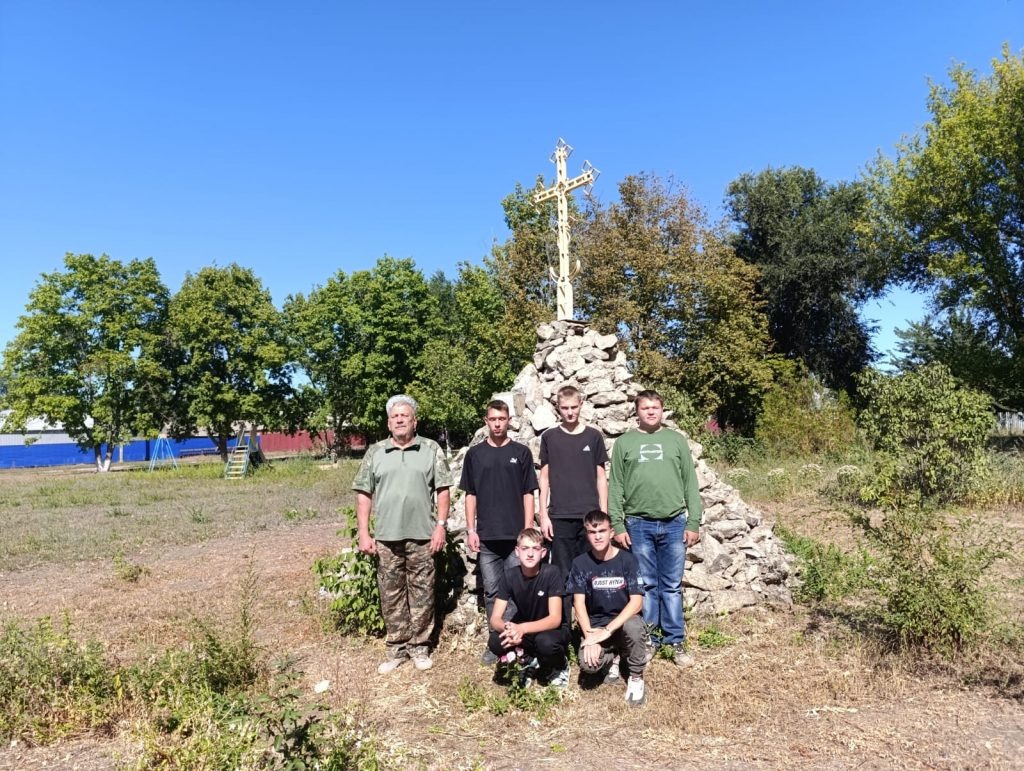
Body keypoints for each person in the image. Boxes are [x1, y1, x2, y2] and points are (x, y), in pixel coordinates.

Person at [353, 394, 453, 674]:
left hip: (423, 535)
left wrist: (440, 526)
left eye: (405, 415)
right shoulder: (375, 452)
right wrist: (364, 532)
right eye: (395, 416)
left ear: (414, 421)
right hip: (386, 536)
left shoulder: (430, 448)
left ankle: (420, 647)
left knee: (422, 593)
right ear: (388, 423)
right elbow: (363, 493)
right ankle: (397, 649)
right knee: (391, 593)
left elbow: (443, 489)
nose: (399, 420)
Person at [609, 389, 703, 668]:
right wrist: (617, 523)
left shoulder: (676, 441)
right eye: (645, 407)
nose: (650, 411)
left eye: (655, 407)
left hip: (674, 522)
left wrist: (693, 521)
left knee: (672, 586)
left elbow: (690, 483)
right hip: (638, 524)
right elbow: (616, 486)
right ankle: (648, 639)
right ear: (636, 412)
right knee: (647, 585)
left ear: (662, 410)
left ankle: (675, 641)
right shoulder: (625, 443)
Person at [459, 400, 539, 664]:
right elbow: (470, 495)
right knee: (493, 592)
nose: (497, 423)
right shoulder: (475, 455)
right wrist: (471, 529)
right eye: (492, 419)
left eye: (502, 419)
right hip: (488, 538)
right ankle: (497, 643)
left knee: (518, 590)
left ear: (508, 421)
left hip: (516, 537)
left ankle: (521, 641)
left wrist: (527, 530)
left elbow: (529, 493)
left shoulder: (521, 452)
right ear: (486, 421)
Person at [566, 509, 648, 706]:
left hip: (623, 622)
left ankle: (636, 676)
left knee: (634, 628)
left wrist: (608, 631)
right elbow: (579, 604)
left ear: (611, 532)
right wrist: (590, 637)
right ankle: (613, 657)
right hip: (595, 626)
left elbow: (637, 602)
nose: (597, 536)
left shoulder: (628, 560)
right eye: (592, 532)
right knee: (588, 665)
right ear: (586, 535)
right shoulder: (580, 563)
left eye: (601, 531)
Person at [538, 385, 609, 577]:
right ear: (558, 408)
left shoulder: (593, 436)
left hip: (590, 516)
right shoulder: (549, 437)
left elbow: (601, 477)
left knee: (591, 571)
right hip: (560, 516)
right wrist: (543, 515)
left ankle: (586, 608)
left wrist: (604, 513)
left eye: (574, 407)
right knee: (563, 572)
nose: (570, 412)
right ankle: (563, 608)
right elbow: (544, 478)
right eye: (565, 408)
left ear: (581, 405)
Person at [487, 528, 570, 688]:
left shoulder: (552, 573)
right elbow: (495, 618)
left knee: (545, 642)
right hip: (525, 630)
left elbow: (555, 619)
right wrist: (508, 628)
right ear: (517, 552)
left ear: (543, 553)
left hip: (552, 630)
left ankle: (559, 665)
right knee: (496, 642)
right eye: (525, 548)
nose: (530, 554)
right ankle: (529, 661)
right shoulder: (509, 575)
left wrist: (522, 628)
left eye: (535, 549)